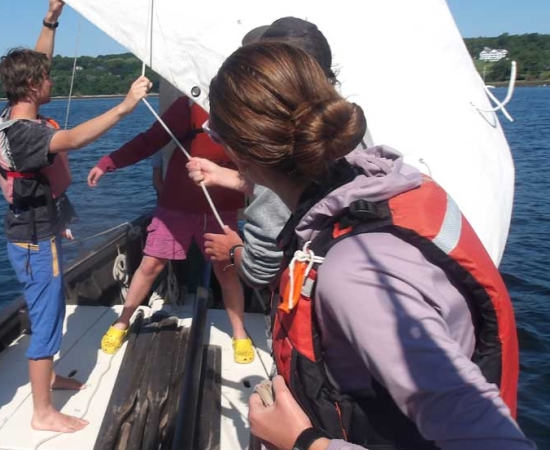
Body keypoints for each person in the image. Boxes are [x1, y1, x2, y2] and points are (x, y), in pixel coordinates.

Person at [202, 41, 533, 449]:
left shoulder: (354, 274)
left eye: (214, 133)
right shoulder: (388, 187)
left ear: (239, 150)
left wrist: (306, 443)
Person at [0, 0, 151, 434]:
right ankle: (42, 411)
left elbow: (40, 58)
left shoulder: (14, 114)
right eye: (45, 77)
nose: (51, 78)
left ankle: (50, 379)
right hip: (33, 240)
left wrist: (52, 17)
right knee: (46, 315)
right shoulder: (23, 135)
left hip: (39, 231)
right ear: (31, 87)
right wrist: (123, 107)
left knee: (54, 305)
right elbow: (76, 139)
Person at [87, 88, 253, 364]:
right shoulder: (188, 106)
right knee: (151, 264)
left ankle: (239, 333)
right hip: (176, 206)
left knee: (225, 270)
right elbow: (149, 140)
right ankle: (122, 322)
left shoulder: (248, 108)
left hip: (220, 208)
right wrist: (109, 162)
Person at [189, 17, 348, 292]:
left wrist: (232, 249)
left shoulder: (280, 151)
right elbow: (304, 194)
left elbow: (259, 270)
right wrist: (228, 176)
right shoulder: (343, 126)